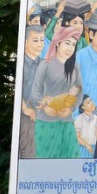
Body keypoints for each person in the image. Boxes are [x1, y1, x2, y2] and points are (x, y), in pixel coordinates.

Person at [31, 26, 83, 158]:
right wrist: (46, 108)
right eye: (67, 43)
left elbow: (80, 92)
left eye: (73, 44)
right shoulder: (45, 64)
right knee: (47, 162)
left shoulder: (74, 65)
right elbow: (36, 92)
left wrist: (71, 109)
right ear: (58, 43)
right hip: (46, 121)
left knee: (70, 162)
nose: (70, 48)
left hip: (67, 121)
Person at [20, 25, 45, 158]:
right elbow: (16, 93)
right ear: (25, 42)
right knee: (28, 157)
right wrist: (26, 109)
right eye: (35, 40)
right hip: (25, 118)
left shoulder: (44, 64)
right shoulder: (20, 64)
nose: (40, 44)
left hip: (40, 118)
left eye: (42, 40)